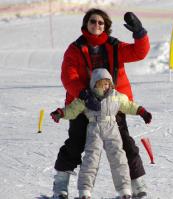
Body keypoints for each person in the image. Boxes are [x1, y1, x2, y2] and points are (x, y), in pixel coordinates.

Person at [51, 8, 150, 199]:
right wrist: (83, 94)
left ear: (106, 26)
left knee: (125, 145)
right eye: (92, 21)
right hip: (81, 102)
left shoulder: (114, 46)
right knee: (75, 144)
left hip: (113, 104)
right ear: (86, 24)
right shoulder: (75, 48)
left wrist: (140, 33)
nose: (96, 25)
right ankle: (60, 186)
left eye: (100, 22)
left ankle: (138, 186)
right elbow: (68, 75)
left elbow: (139, 52)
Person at [51, 68, 152, 199]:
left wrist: (142, 112)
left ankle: (124, 190)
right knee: (91, 159)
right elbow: (73, 109)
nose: (105, 87)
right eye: (101, 84)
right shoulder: (86, 98)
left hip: (112, 128)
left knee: (118, 158)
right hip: (94, 129)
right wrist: (60, 113)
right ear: (94, 85)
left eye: (107, 84)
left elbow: (129, 105)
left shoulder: (116, 96)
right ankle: (85, 191)